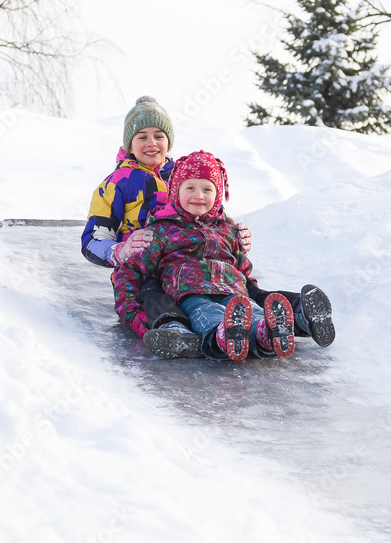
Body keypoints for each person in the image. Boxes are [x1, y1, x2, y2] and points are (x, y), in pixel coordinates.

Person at [81, 96, 335, 356]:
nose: (151, 143)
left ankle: (296, 317)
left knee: (250, 294)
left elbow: (210, 210)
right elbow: (92, 240)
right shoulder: (117, 182)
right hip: (145, 270)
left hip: (198, 267)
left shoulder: (183, 173)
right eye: (142, 136)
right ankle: (186, 332)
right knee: (165, 301)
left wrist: (234, 234)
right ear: (129, 143)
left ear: (168, 140)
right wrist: (120, 251)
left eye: (158, 135)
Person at [112, 150, 301, 361]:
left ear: (218, 195)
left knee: (252, 312)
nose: (198, 195)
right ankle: (222, 336)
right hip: (190, 293)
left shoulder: (227, 230)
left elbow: (243, 267)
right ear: (176, 191)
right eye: (190, 188)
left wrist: (250, 286)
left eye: (207, 189)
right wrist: (132, 313)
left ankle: (266, 336)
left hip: (233, 290)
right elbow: (132, 271)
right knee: (208, 312)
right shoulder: (162, 231)